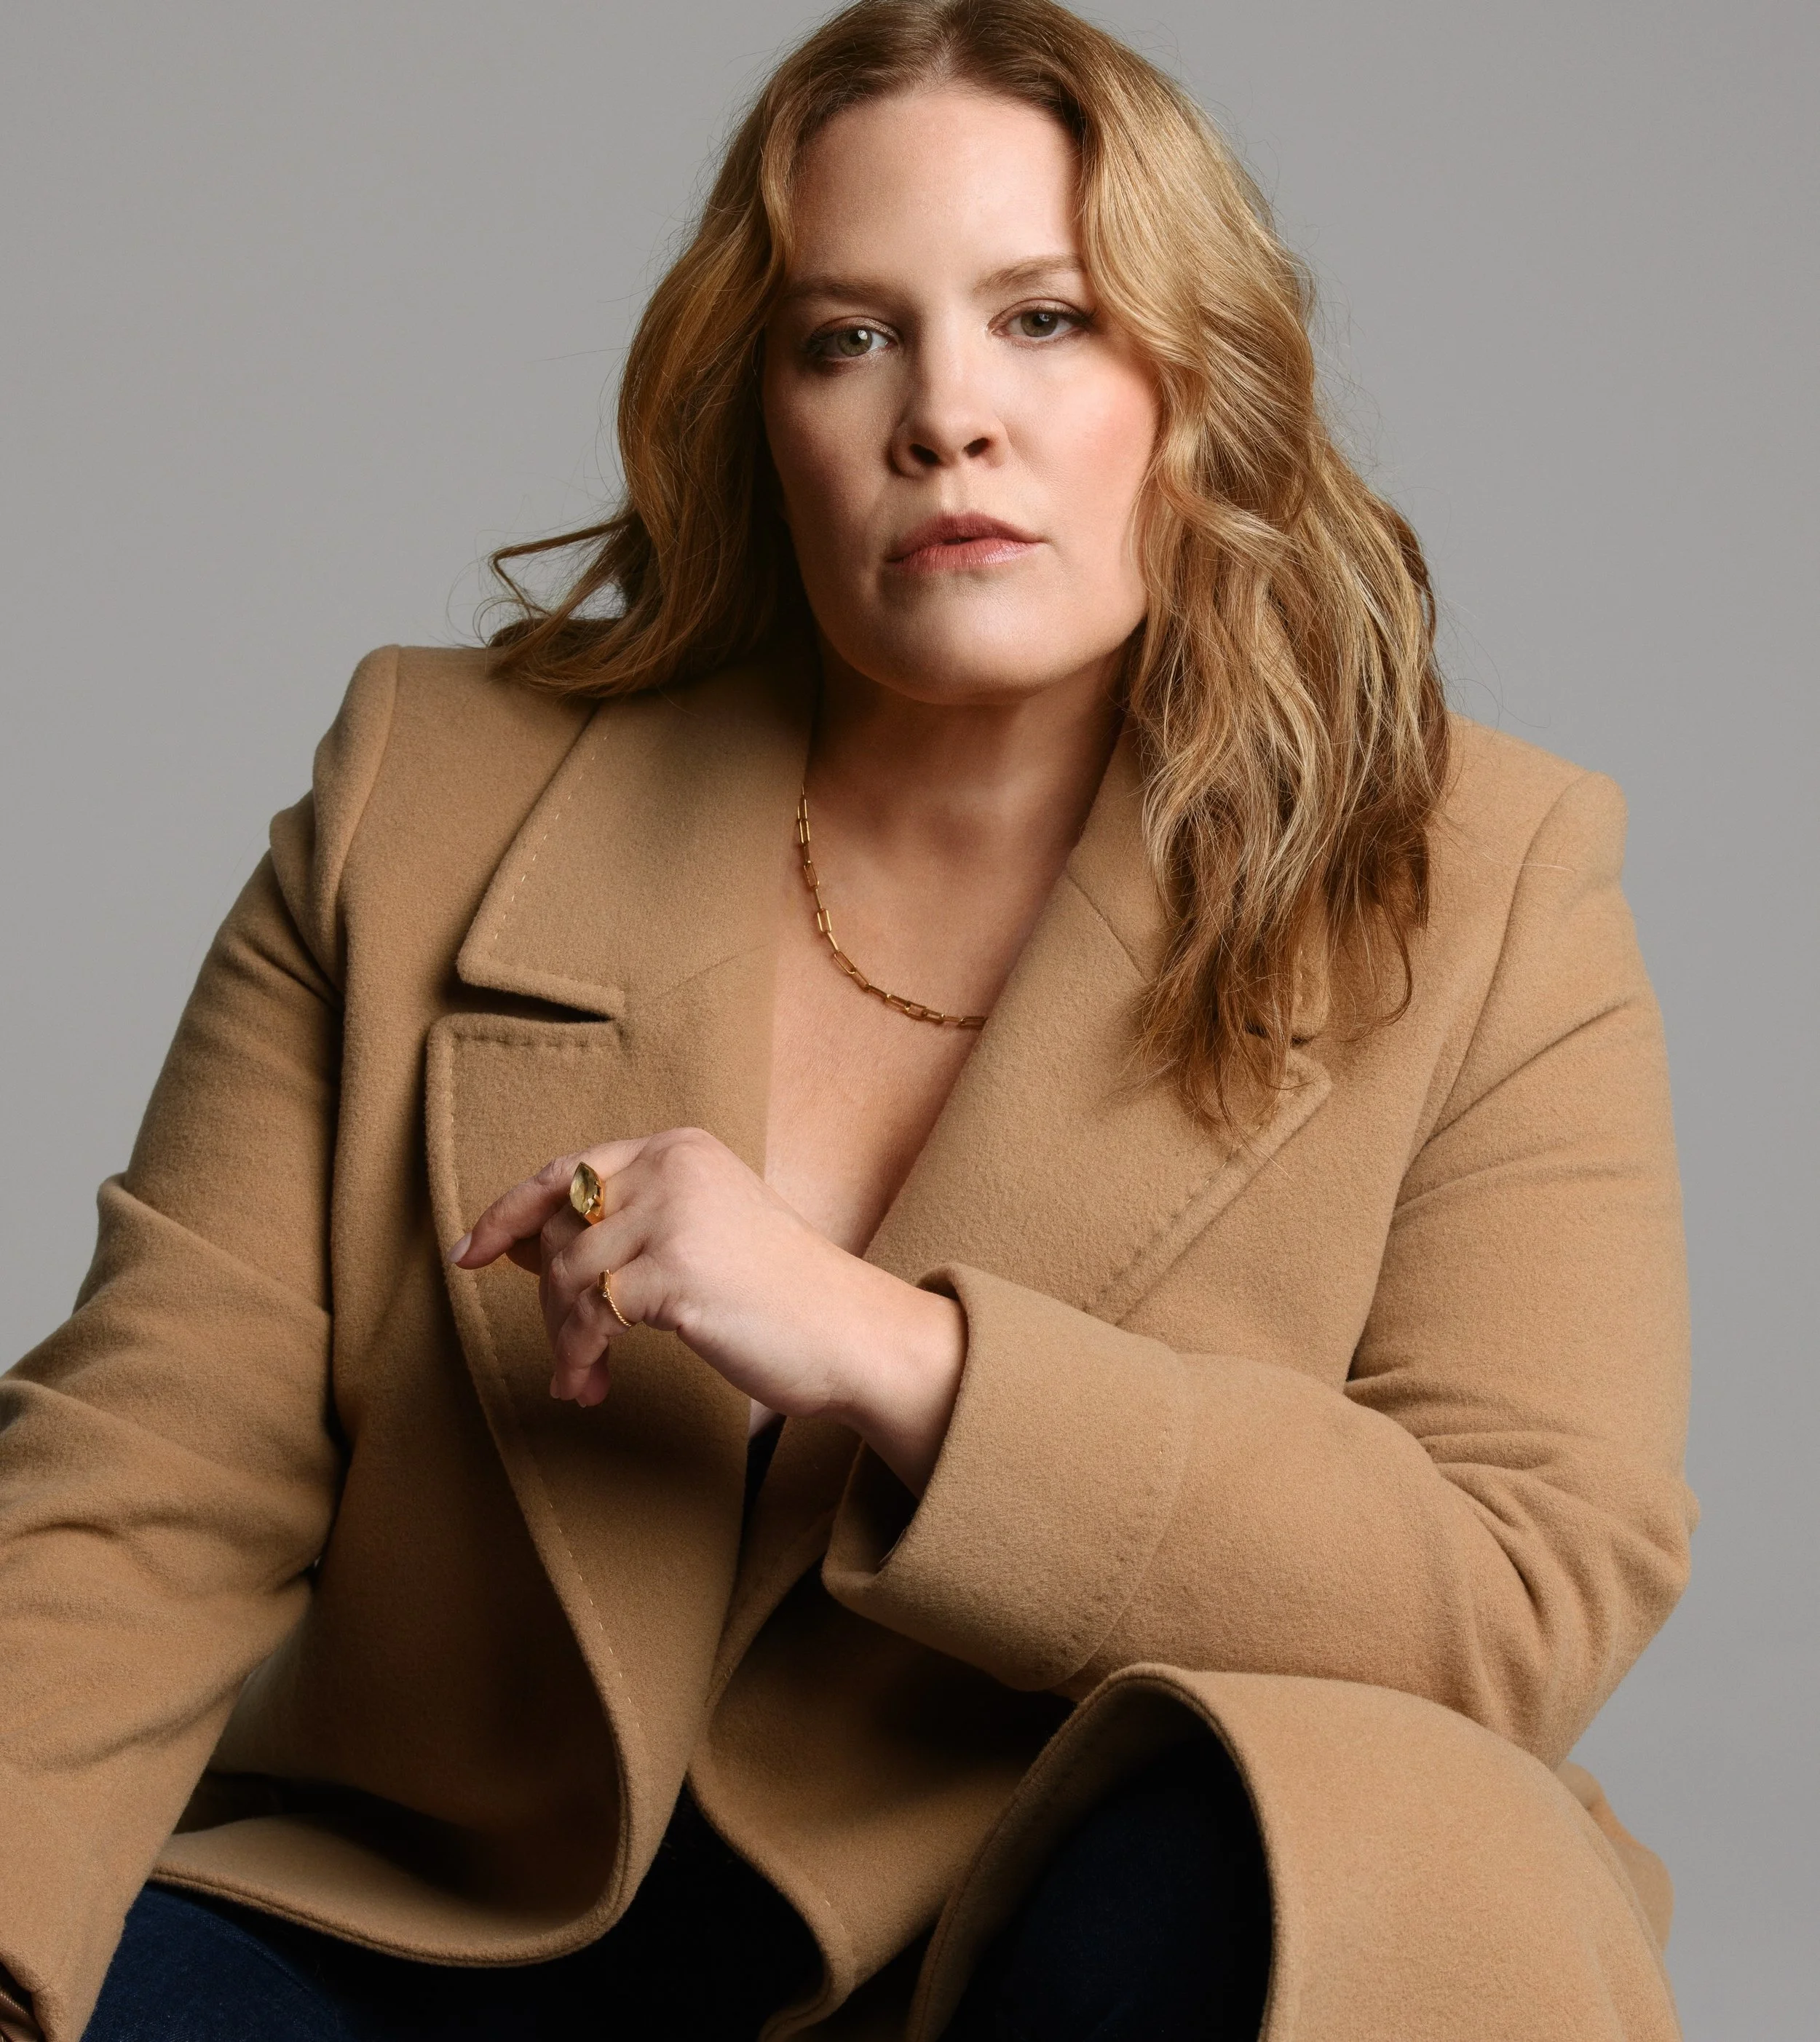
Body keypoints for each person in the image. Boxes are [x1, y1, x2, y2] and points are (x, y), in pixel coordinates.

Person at [0, 1, 1695, 2037]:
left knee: (1290, 1842)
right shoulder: (427, 792)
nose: (946, 417)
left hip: (1034, 1936)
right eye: (849, 336)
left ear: (1196, 383)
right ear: (760, 411)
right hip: (454, 1920)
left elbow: (1517, 1587)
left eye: (1046, 319)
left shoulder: (1484, 876)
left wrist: (900, 1357)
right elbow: (145, 1472)